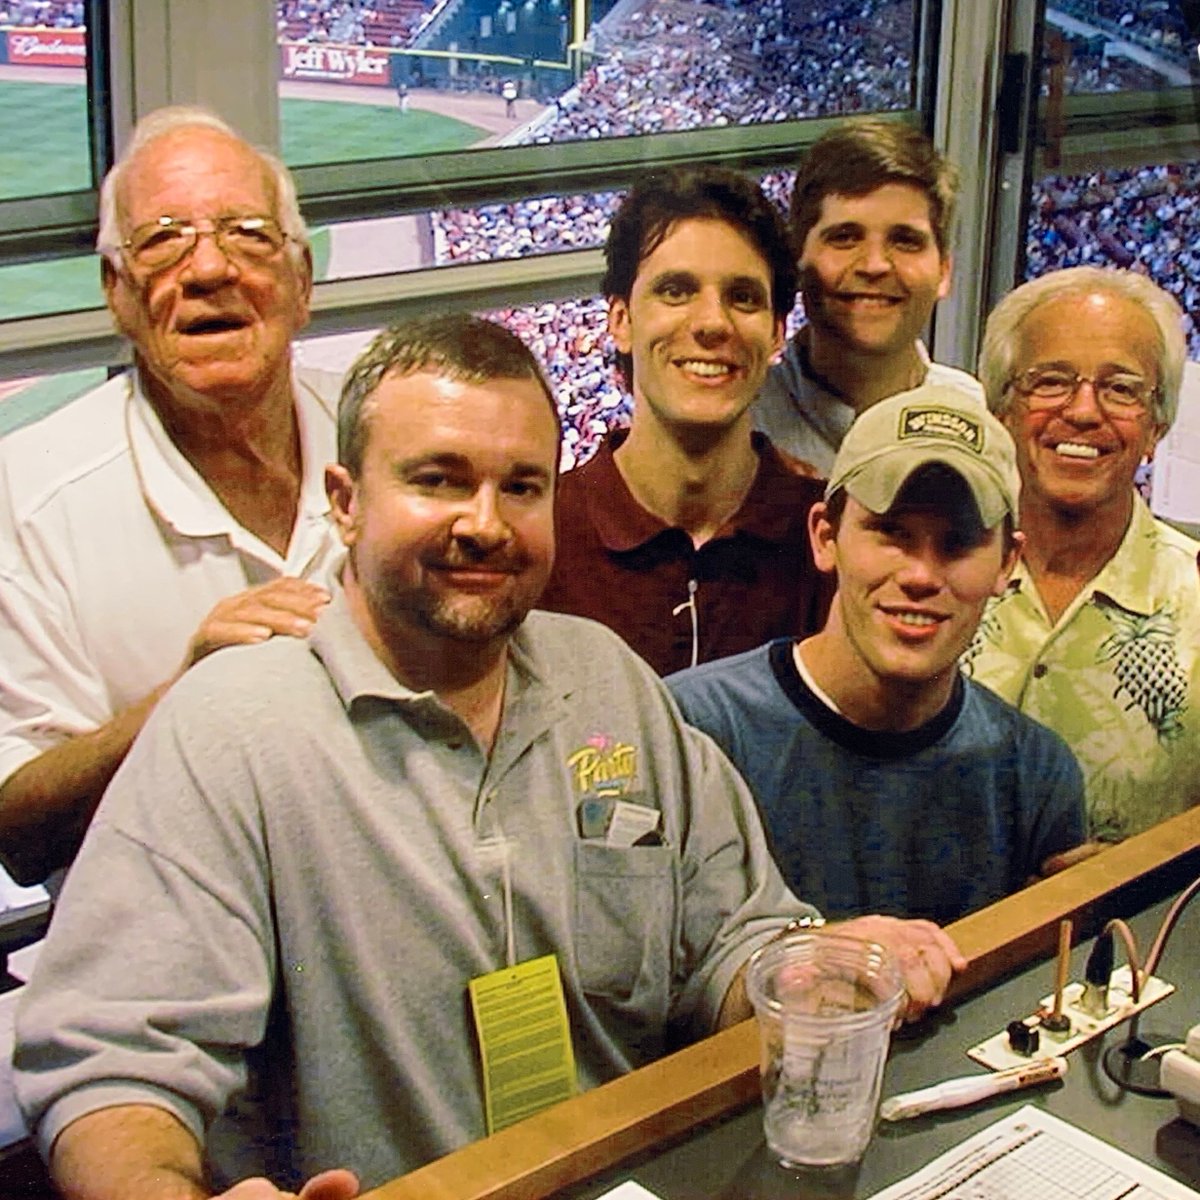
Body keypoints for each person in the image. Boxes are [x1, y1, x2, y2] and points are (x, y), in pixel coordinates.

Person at [16, 315, 964, 1200]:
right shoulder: (230, 731)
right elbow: (110, 1066)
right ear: (345, 504)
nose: (485, 523)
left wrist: (808, 972)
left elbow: (729, 941)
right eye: (437, 479)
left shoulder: (605, 680)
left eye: (521, 486)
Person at [0, 106, 340, 886]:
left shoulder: (384, 431)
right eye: (162, 242)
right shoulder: (29, 493)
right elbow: (21, 837)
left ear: (302, 281)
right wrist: (187, 708)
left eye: (248, 233)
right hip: (162, 961)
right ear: (117, 293)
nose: (210, 270)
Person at [670, 383, 1087, 924]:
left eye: (959, 542)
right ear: (825, 536)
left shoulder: (1034, 774)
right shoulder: (694, 733)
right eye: (891, 532)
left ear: (1008, 563)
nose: (919, 575)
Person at [539, 165, 829, 675]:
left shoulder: (830, 540)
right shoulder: (543, 535)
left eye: (742, 297)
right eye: (676, 291)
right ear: (621, 321)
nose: (713, 323)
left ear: (778, 333)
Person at [966, 266, 1200, 842]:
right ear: (1002, 409)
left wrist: (1127, 875)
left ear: (1156, 428)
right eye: (1050, 381)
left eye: (1121, 388)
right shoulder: (927, 578)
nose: (1084, 410)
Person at [755, 118, 984, 474]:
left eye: (905, 240)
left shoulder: (976, 420)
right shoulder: (740, 424)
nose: (875, 265)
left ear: (944, 271)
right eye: (845, 237)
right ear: (797, 256)